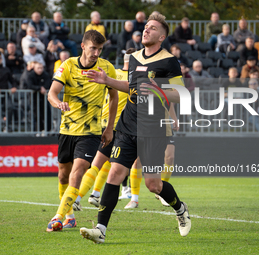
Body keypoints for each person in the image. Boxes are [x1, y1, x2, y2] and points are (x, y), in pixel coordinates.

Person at [80, 13, 191, 244]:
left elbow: (181, 95)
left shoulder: (169, 60)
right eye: (146, 27)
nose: (146, 30)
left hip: (153, 130)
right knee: (114, 173)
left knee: (153, 184)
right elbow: (131, 88)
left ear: (161, 36)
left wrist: (158, 91)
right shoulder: (135, 58)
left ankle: (180, 209)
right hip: (127, 125)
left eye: (152, 28)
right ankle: (100, 229)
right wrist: (107, 80)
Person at [46, 30, 118, 231]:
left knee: (77, 173)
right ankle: (69, 216)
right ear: (83, 46)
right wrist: (58, 103)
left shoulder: (106, 68)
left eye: (100, 49)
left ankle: (58, 216)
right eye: (93, 48)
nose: (96, 53)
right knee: (63, 176)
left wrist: (109, 128)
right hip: (67, 129)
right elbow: (51, 93)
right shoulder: (67, 65)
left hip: (91, 132)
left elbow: (114, 97)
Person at [73, 48, 137, 211]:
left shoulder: (112, 74)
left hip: (102, 123)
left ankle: (94, 194)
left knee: (108, 163)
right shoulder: (133, 81)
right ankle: (78, 197)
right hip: (116, 128)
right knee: (97, 164)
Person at [26, 62, 51, 132]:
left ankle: (47, 130)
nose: (40, 70)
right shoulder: (30, 75)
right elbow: (30, 85)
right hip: (34, 98)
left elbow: (48, 84)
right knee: (36, 115)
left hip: (44, 98)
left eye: (41, 68)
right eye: (38, 68)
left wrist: (43, 88)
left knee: (46, 114)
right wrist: (39, 88)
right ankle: (37, 131)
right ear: (34, 68)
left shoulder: (45, 75)